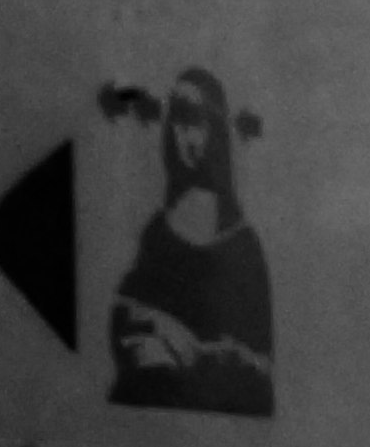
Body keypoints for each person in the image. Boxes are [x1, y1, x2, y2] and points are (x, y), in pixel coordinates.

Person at [105, 65, 275, 415]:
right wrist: (156, 327)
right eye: (179, 122)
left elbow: (260, 364)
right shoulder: (158, 232)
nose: (188, 136)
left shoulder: (243, 244)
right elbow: (126, 313)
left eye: (197, 121)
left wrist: (196, 353)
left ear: (217, 130)